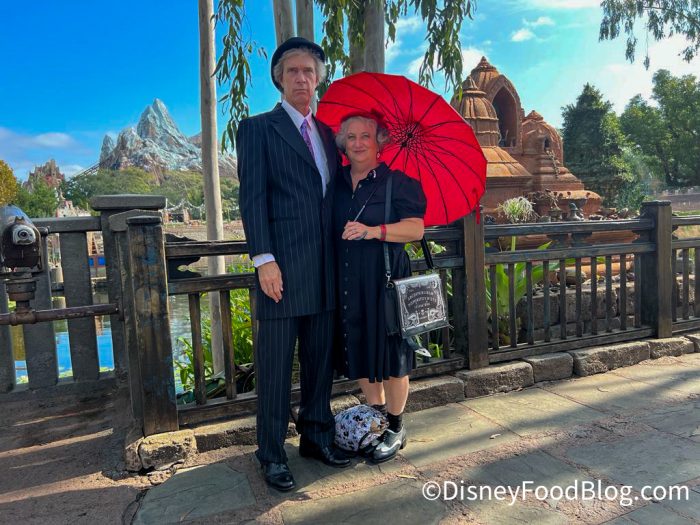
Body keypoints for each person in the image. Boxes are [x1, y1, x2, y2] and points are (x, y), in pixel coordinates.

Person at [236, 37, 349, 492]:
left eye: (309, 71)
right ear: (279, 79)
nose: (302, 78)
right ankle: (270, 452)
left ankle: (316, 437)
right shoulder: (258, 129)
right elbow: (252, 199)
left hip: (324, 270)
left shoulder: (328, 135)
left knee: (320, 363)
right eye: (293, 71)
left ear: (319, 78)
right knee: (275, 367)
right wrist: (263, 259)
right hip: (281, 271)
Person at [333, 114, 427, 463]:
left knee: (392, 352)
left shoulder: (397, 183)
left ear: (380, 142)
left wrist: (373, 231)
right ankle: (376, 421)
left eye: (366, 136)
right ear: (343, 143)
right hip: (347, 278)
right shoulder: (336, 182)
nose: (358, 143)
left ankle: (396, 427)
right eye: (351, 136)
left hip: (385, 278)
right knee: (358, 345)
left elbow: (415, 229)